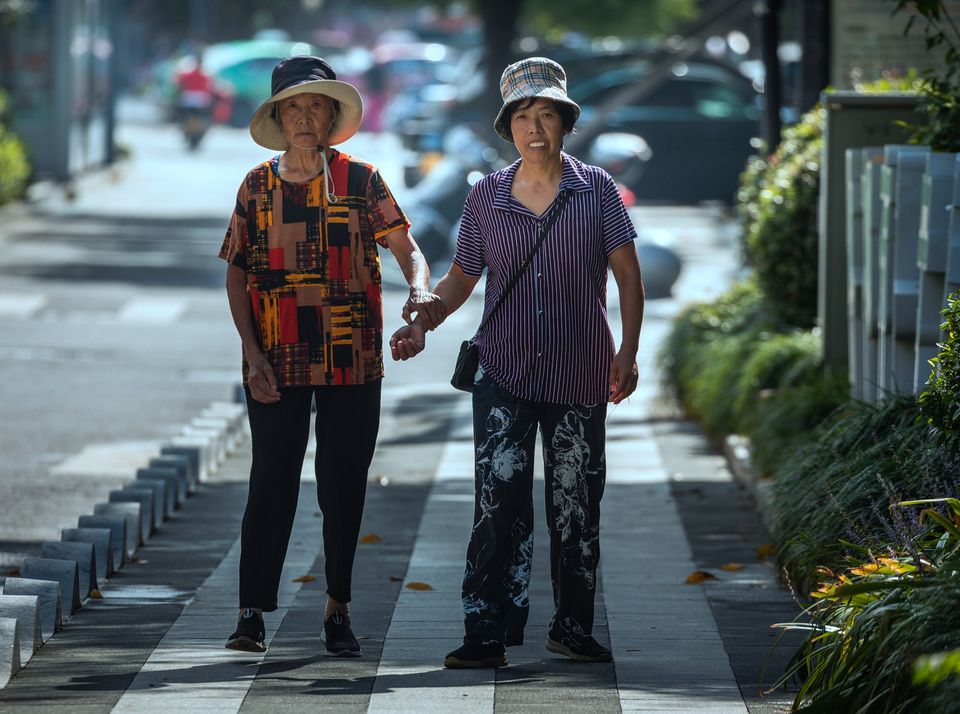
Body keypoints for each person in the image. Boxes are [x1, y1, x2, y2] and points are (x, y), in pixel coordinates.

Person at [390, 56, 644, 669]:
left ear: (564, 123)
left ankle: (571, 628)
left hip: (580, 372)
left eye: (547, 115)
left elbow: (629, 278)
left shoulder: (597, 190)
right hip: (503, 372)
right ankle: (487, 631)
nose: (535, 128)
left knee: (575, 506)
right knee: (497, 504)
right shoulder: (486, 197)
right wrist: (422, 320)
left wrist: (628, 353)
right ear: (508, 127)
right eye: (523, 117)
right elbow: (461, 279)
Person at [219, 55, 443, 656]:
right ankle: (250, 612)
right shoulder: (256, 186)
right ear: (277, 117)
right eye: (292, 106)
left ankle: (337, 608)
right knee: (271, 480)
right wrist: (251, 353)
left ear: (330, 115)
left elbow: (407, 248)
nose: (303, 116)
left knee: (343, 486)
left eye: (315, 105)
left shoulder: (361, 180)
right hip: (276, 358)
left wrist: (419, 291)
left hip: (353, 355)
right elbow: (236, 274)